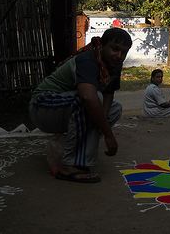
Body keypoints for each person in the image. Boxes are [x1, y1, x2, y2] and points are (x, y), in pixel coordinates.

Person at [28, 28, 132, 183]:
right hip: (42, 106)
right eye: (115, 49)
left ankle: (75, 156)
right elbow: (87, 96)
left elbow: (109, 94)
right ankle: (68, 165)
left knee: (113, 109)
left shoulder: (114, 65)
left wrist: (102, 125)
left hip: (64, 107)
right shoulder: (87, 60)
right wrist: (108, 135)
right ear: (102, 45)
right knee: (90, 101)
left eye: (124, 52)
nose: (119, 56)